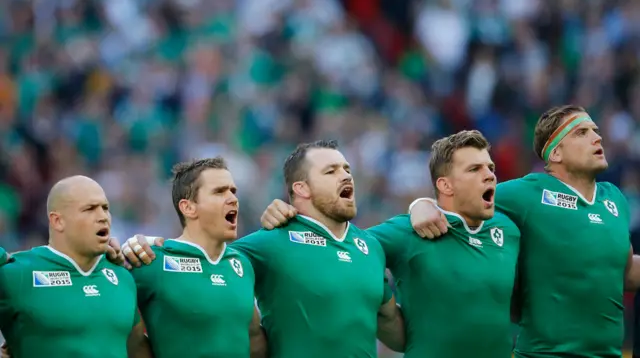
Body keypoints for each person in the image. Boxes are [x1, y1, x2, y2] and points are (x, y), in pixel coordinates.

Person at [122, 140, 406, 358]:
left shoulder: (370, 245)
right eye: (331, 171)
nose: (345, 176)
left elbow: (396, 329)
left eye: (347, 169)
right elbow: (200, 256)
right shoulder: (265, 246)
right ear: (301, 189)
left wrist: (423, 204)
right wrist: (142, 244)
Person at [257, 131, 520, 357]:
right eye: (475, 169)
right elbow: (341, 247)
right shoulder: (405, 232)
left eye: (491, 168)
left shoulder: (509, 230)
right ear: (445, 185)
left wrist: (420, 202)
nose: (490, 176)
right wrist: (292, 215)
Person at [408, 105, 638, 357]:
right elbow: (456, 199)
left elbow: (625, 272)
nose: (597, 137)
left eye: (595, 130)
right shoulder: (527, 193)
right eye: (581, 132)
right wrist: (420, 205)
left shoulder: (614, 198)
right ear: (556, 152)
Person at [130, 157, 267, 358]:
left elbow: (255, 341)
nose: (232, 198)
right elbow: (123, 334)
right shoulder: (153, 261)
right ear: (188, 207)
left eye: (233, 191)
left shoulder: (241, 264)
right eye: (219, 192)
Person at [0, 175, 150, 358]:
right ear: (57, 221)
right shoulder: (18, 274)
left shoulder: (122, 276)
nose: (103, 217)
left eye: (105, 208)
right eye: (89, 209)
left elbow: (138, 350)